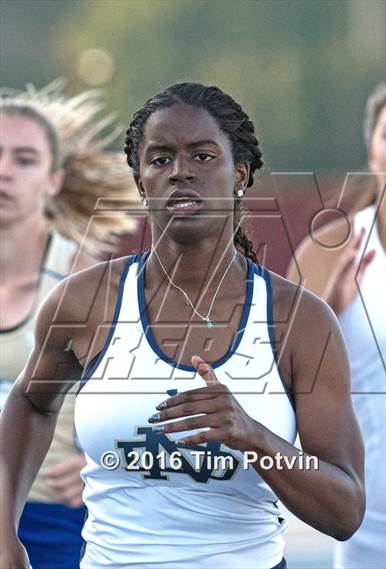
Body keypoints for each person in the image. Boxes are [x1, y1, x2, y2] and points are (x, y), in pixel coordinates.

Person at [0, 82, 365, 569]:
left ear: (240, 174)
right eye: (160, 159)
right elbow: (29, 403)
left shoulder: (299, 320)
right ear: (139, 181)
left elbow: (345, 509)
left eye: (203, 156)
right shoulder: (85, 300)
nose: (179, 173)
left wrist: (254, 436)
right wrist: (5, 537)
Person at [0, 82, 136, 569]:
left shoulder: (82, 277)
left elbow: (143, 394)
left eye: (24, 159)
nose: (4, 172)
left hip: (51, 515)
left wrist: (104, 460)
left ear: (54, 180)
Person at [287, 73, 386, 568]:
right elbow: (268, 393)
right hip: (368, 538)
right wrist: (327, 312)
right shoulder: (331, 251)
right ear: (371, 149)